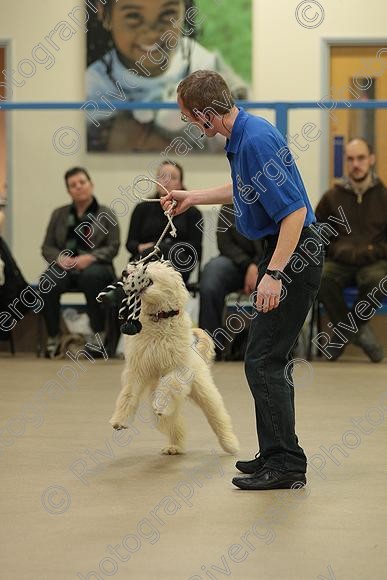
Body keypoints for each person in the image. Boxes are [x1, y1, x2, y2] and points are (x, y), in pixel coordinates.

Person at [161, 70, 324, 491]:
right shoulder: (246, 135)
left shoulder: (254, 141)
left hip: (293, 252)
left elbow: (295, 214)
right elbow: (243, 189)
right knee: (265, 356)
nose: (190, 126)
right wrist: (192, 196)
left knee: (264, 359)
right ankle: (275, 452)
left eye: (189, 117)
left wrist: (273, 273)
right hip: (285, 250)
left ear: (206, 115)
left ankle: (287, 463)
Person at [86, 0, 249, 151]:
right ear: (104, 14)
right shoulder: (94, 85)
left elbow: (240, 127)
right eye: (133, 16)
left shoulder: (207, 64)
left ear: (184, 11)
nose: (151, 31)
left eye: (167, 14)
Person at [315, 137, 387, 362]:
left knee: (378, 281)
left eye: (361, 158)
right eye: (351, 159)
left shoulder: (384, 196)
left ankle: (341, 335)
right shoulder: (331, 197)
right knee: (321, 278)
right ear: (345, 162)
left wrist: (375, 250)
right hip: (340, 260)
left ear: (371, 160)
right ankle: (359, 334)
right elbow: (317, 234)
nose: (356, 164)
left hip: (374, 260)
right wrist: (337, 249)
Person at [41, 167, 120, 358]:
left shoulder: (106, 213)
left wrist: (91, 257)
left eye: (82, 183)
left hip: (97, 267)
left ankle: (98, 333)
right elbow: (47, 247)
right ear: (68, 191)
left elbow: (114, 247)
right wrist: (60, 259)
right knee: (47, 281)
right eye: (73, 185)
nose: (78, 188)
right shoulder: (59, 214)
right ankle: (54, 336)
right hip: (65, 267)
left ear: (91, 184)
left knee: (91, 277)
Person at [199, 204, 263, 359]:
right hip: (235, 263)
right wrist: (248, 265)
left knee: (287, 276)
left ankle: (271, 348)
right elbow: (224, 243)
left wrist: (257, 266)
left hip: (268, 262)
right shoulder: (230, 203)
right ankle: (210, 348)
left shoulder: (273, 197)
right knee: (210, 278)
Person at [126, 160, 202, 285]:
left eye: (172, 178)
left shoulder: (192, 212)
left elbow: (195, 248)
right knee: (152, 259)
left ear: (181, 183)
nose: (166, 181)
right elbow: (130, 243)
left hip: (178, 263)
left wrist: (164, 247)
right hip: (145, 261)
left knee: (159, 249)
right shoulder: (142, 208)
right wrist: (142, 247)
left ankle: (118, 289)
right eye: (162, 177)